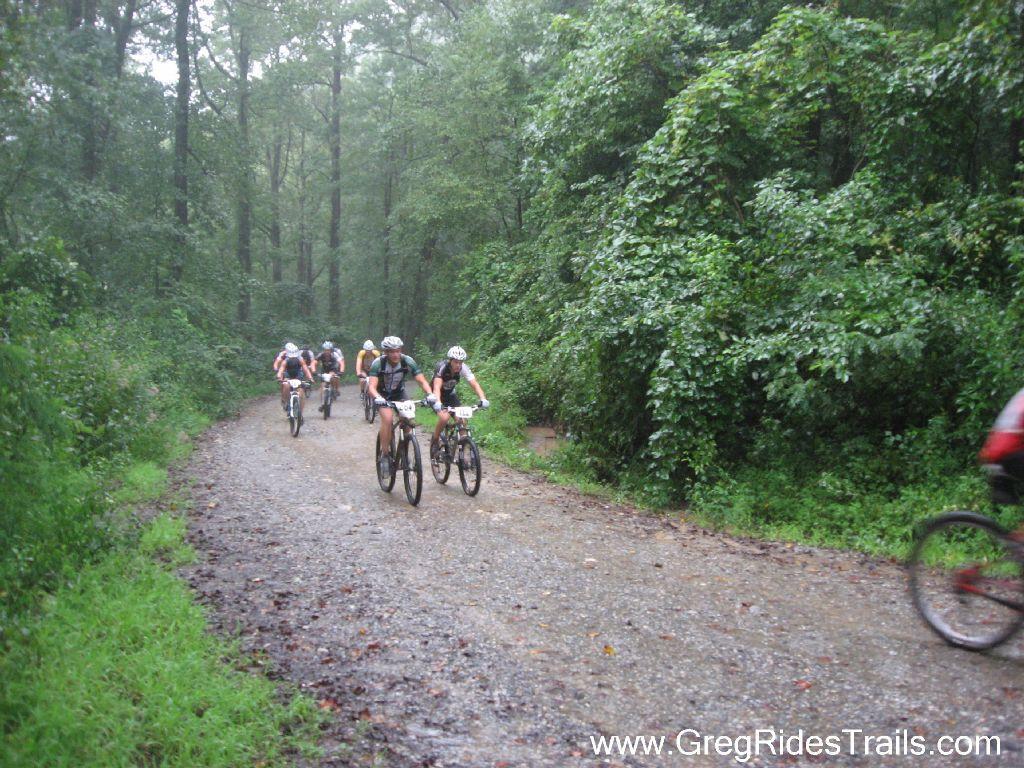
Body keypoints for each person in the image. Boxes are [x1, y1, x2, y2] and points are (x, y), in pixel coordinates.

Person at [366, 336, 436, 475]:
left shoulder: (407, 361)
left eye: (398, 351)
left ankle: (405, 450)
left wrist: (429, 393)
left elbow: (421, 381)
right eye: (391, 351)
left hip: (399, 393)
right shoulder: (377, 363)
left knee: (408, 421)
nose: (395, 354)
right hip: (382, 395)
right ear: (385, 352)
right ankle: (385, 455)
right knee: (387, 419)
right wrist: (378, 398)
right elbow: (372, 387)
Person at [430, 345, 489, 455]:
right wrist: (437, 402)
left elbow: (474, 384)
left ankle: (464, 452)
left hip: (450, 396)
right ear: (450, 361)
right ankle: (435, 440)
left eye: (460, 362)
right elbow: (437, 387)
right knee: (444, 417)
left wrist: (483, 398)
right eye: (456, 362)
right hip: (437, 396)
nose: (458, 365)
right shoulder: (442, 368)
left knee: (462, 420)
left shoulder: (464, 368)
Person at [277, 345, 314, 412]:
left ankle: (300, 413)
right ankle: (286, 401)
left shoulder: (300, 359)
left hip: (298, 375)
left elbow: (305, 369)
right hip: (288, 375)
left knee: (301, 392)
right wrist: (279, 376)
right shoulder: (286, 360)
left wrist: (310, 377)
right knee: (286, 385)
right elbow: (281, 369)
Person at [316, 341, 345, 410]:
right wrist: (314, 371)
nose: (327, 351)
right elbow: (314, 362)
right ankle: (322, 403)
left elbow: (341, 362)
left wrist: (341, 371)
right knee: (322, 386)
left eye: (328, 350)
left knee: (335, 377)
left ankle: (335, 389)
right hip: (324, 370)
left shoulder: (335, 354)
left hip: (333, 369)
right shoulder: (321, 354)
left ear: (331, 349)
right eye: (325, 350)